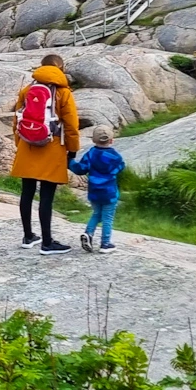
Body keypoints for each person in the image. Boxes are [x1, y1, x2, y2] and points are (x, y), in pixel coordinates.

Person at [8, 53, 80, 253]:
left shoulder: (27, 90)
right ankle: (47, 242)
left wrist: (20, 143)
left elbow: (17, 119)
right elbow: (72, 125)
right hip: (52, 147)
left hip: (27, 146)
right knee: (46, 197)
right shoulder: (63, 93)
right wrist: (72, 150)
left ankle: (28, 236)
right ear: (61, 68)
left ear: (41, 67)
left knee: (27, 193)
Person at [70, 125, 126, 253]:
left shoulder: (91, 154)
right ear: (111, 140)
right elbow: (121, 167)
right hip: (109, 193)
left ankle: (88, 234)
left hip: (94, 192)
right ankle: (105, 243)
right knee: (107, 218)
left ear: (93, 140)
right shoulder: (115, 157)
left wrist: (70, 162)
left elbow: (80, 169)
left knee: (96, 214)